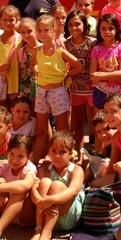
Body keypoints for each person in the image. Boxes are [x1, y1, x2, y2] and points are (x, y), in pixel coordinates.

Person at [21, 131, 85, 240]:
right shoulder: (45, 169)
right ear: (48, 152)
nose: (57, 156)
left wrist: (50, 199)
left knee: (57, 185)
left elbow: (73, 191)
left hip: (68, 215)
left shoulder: (75, 170)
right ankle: (38, 230)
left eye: (62, 152)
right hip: (46, 213)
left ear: (71, 154)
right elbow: (34, 189)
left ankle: (46, 234)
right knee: (44, 182)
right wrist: (40, 200)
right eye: (53, 151)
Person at [31, 14, 82, 161]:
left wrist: (66, 76)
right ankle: (37, 160)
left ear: (54, 31)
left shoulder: (60, 50)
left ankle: (64, 158)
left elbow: (79, 65)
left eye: (46, 30)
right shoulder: (37, 50)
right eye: (39, 30)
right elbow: (32, 64)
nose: (43, 34)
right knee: (41, 130)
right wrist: (38, 73)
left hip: (58, 92)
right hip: (41, 91)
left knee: (62, 129)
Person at [64, 10, 96, 152]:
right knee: (77, 124)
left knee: (96, 122)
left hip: (92, 88)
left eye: (77, 24)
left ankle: (97, 152)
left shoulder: (93, 43)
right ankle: (79, 153)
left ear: (84, 24)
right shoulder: (66, 45)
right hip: (75, 89)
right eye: (70, 24)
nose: (74, 27)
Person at [90, 14, 121, 110]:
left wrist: (100, 76)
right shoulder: (96, 50)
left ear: (117, 30)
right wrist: (115, 76)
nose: (107, 32)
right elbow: (92, 76)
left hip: (119, 93)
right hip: (100, 91)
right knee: (101, 122)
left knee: (120, 121)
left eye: (111, 28)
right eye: (103, 28)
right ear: (99, 30)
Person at [0, 5, 21, 106]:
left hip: (16, 82)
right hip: (0, 83)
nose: (8, 23)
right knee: (2, 112)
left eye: (11, 20)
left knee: (16, 111)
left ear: (17, 20)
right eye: (5, 20)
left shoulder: (21, 39)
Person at [16, 17, 39, 105]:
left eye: (29, 31)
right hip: (25, 88)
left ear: (36, 30)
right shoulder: (21, 51)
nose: (26, 35)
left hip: (40, 87)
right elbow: (21, 71)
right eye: (23, 32)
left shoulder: (43, 48)